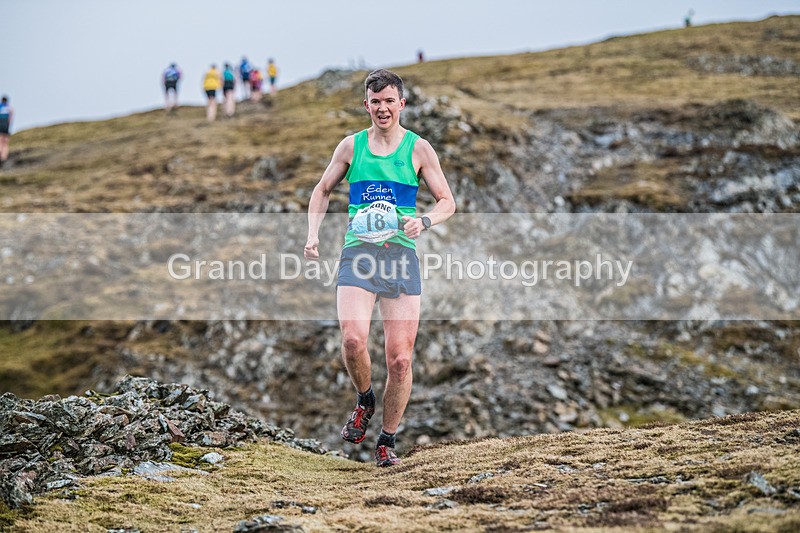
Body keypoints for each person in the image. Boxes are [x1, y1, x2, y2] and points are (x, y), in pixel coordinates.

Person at [304, 69, 455, 467]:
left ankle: (387, 440)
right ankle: (364, 399)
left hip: (401, 256)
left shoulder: (419, 149)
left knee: (400, 359)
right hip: (359, 254)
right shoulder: (351, 147)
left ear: (401, 103)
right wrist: (313, 233)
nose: (383, 108)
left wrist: (424, 221)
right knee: (353, 340)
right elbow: (322, 190)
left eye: (390, 101)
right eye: (375, 102)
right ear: (366, 105)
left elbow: (447, 201)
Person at [0, 96, 13, 168]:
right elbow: (11, 114)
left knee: (0, 140)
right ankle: (4, 157)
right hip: (6, 125)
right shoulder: (8, 107)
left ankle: (1, 154)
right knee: (5, 141)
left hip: (0, 124)